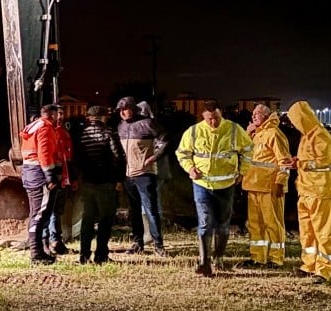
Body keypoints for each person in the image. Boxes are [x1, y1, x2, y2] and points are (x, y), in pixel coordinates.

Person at [175, 100, 253, 277]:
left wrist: (243, 172)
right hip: (202, 185)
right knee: (204, 223)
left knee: (223, 225)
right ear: (203, 116)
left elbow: (248, 150)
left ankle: (219, 258)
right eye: (209, 119)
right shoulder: (194, 131)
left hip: (226, 186)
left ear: (221, 114)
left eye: (216, 118)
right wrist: (190, 168)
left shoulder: (233, 130)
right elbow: (182, 153)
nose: (213, 122)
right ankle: (204, 262)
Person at [282, 101, 331, 283]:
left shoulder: (321, 136)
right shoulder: (307, 136)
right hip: (306, 190)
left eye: (295, 120)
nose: (293, 124)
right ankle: (309, 265)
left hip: (322, 191)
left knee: (323, 232)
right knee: (307, 231)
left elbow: (321, 162)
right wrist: (297, 161)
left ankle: (324, 270)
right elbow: (310, 160)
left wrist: (298, 163)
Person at [115, 97, 170, 257]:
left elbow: (165, 138)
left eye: (126, 109)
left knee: (151, 210)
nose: (123, 112)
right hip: (128, 174)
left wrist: (154, 157)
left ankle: (158, 245)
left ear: (134, 108)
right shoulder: (121, 126)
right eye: (121, 110)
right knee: (134, 211)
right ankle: (137, 243)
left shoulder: (148, 123)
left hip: (145, 173)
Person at [72, 105, 126, 264]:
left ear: (88, 117)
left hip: (87, 182)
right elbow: (118, 157)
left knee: (87, 219)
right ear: (104, 117)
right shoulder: (108, 132)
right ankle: (101, 255)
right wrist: (119, 179)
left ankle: (83, 256)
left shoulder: (81, 134)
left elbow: (76, 159)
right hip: (105, 182)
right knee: (106, 219)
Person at [241, 104, 292, 267]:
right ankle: (258, 257)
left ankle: (276, 259)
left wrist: (280, 182)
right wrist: (248, 133)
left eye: (258, 114)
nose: (254, 116)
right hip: (253, 185)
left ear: (266, 116)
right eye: (253, 113)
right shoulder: (256, 134)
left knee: (273, 223)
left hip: (270, 186)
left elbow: (285, 161)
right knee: (255, 225)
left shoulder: (275, 134)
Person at [20, 103, 64, 265]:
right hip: (40, 176)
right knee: (39, 215)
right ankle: (36, 254)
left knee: (36, 214)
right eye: (57, 114)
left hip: (30, 174)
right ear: (51, 115)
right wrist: (50, 176)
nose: (60, 117)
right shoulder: (45, 129)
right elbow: (45, 154)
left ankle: (38, 251)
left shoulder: (33, 127)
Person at [46, 116, 75, 255]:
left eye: (62, 113)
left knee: (56, 210)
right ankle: (52, 241)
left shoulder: (63, 133)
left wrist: (70, 177)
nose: (60, 117)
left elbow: (67, 158)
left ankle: (55, 240)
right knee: (52, 211)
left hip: (62, 176)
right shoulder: (50, 132)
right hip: (56, 177)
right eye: (57, 114)